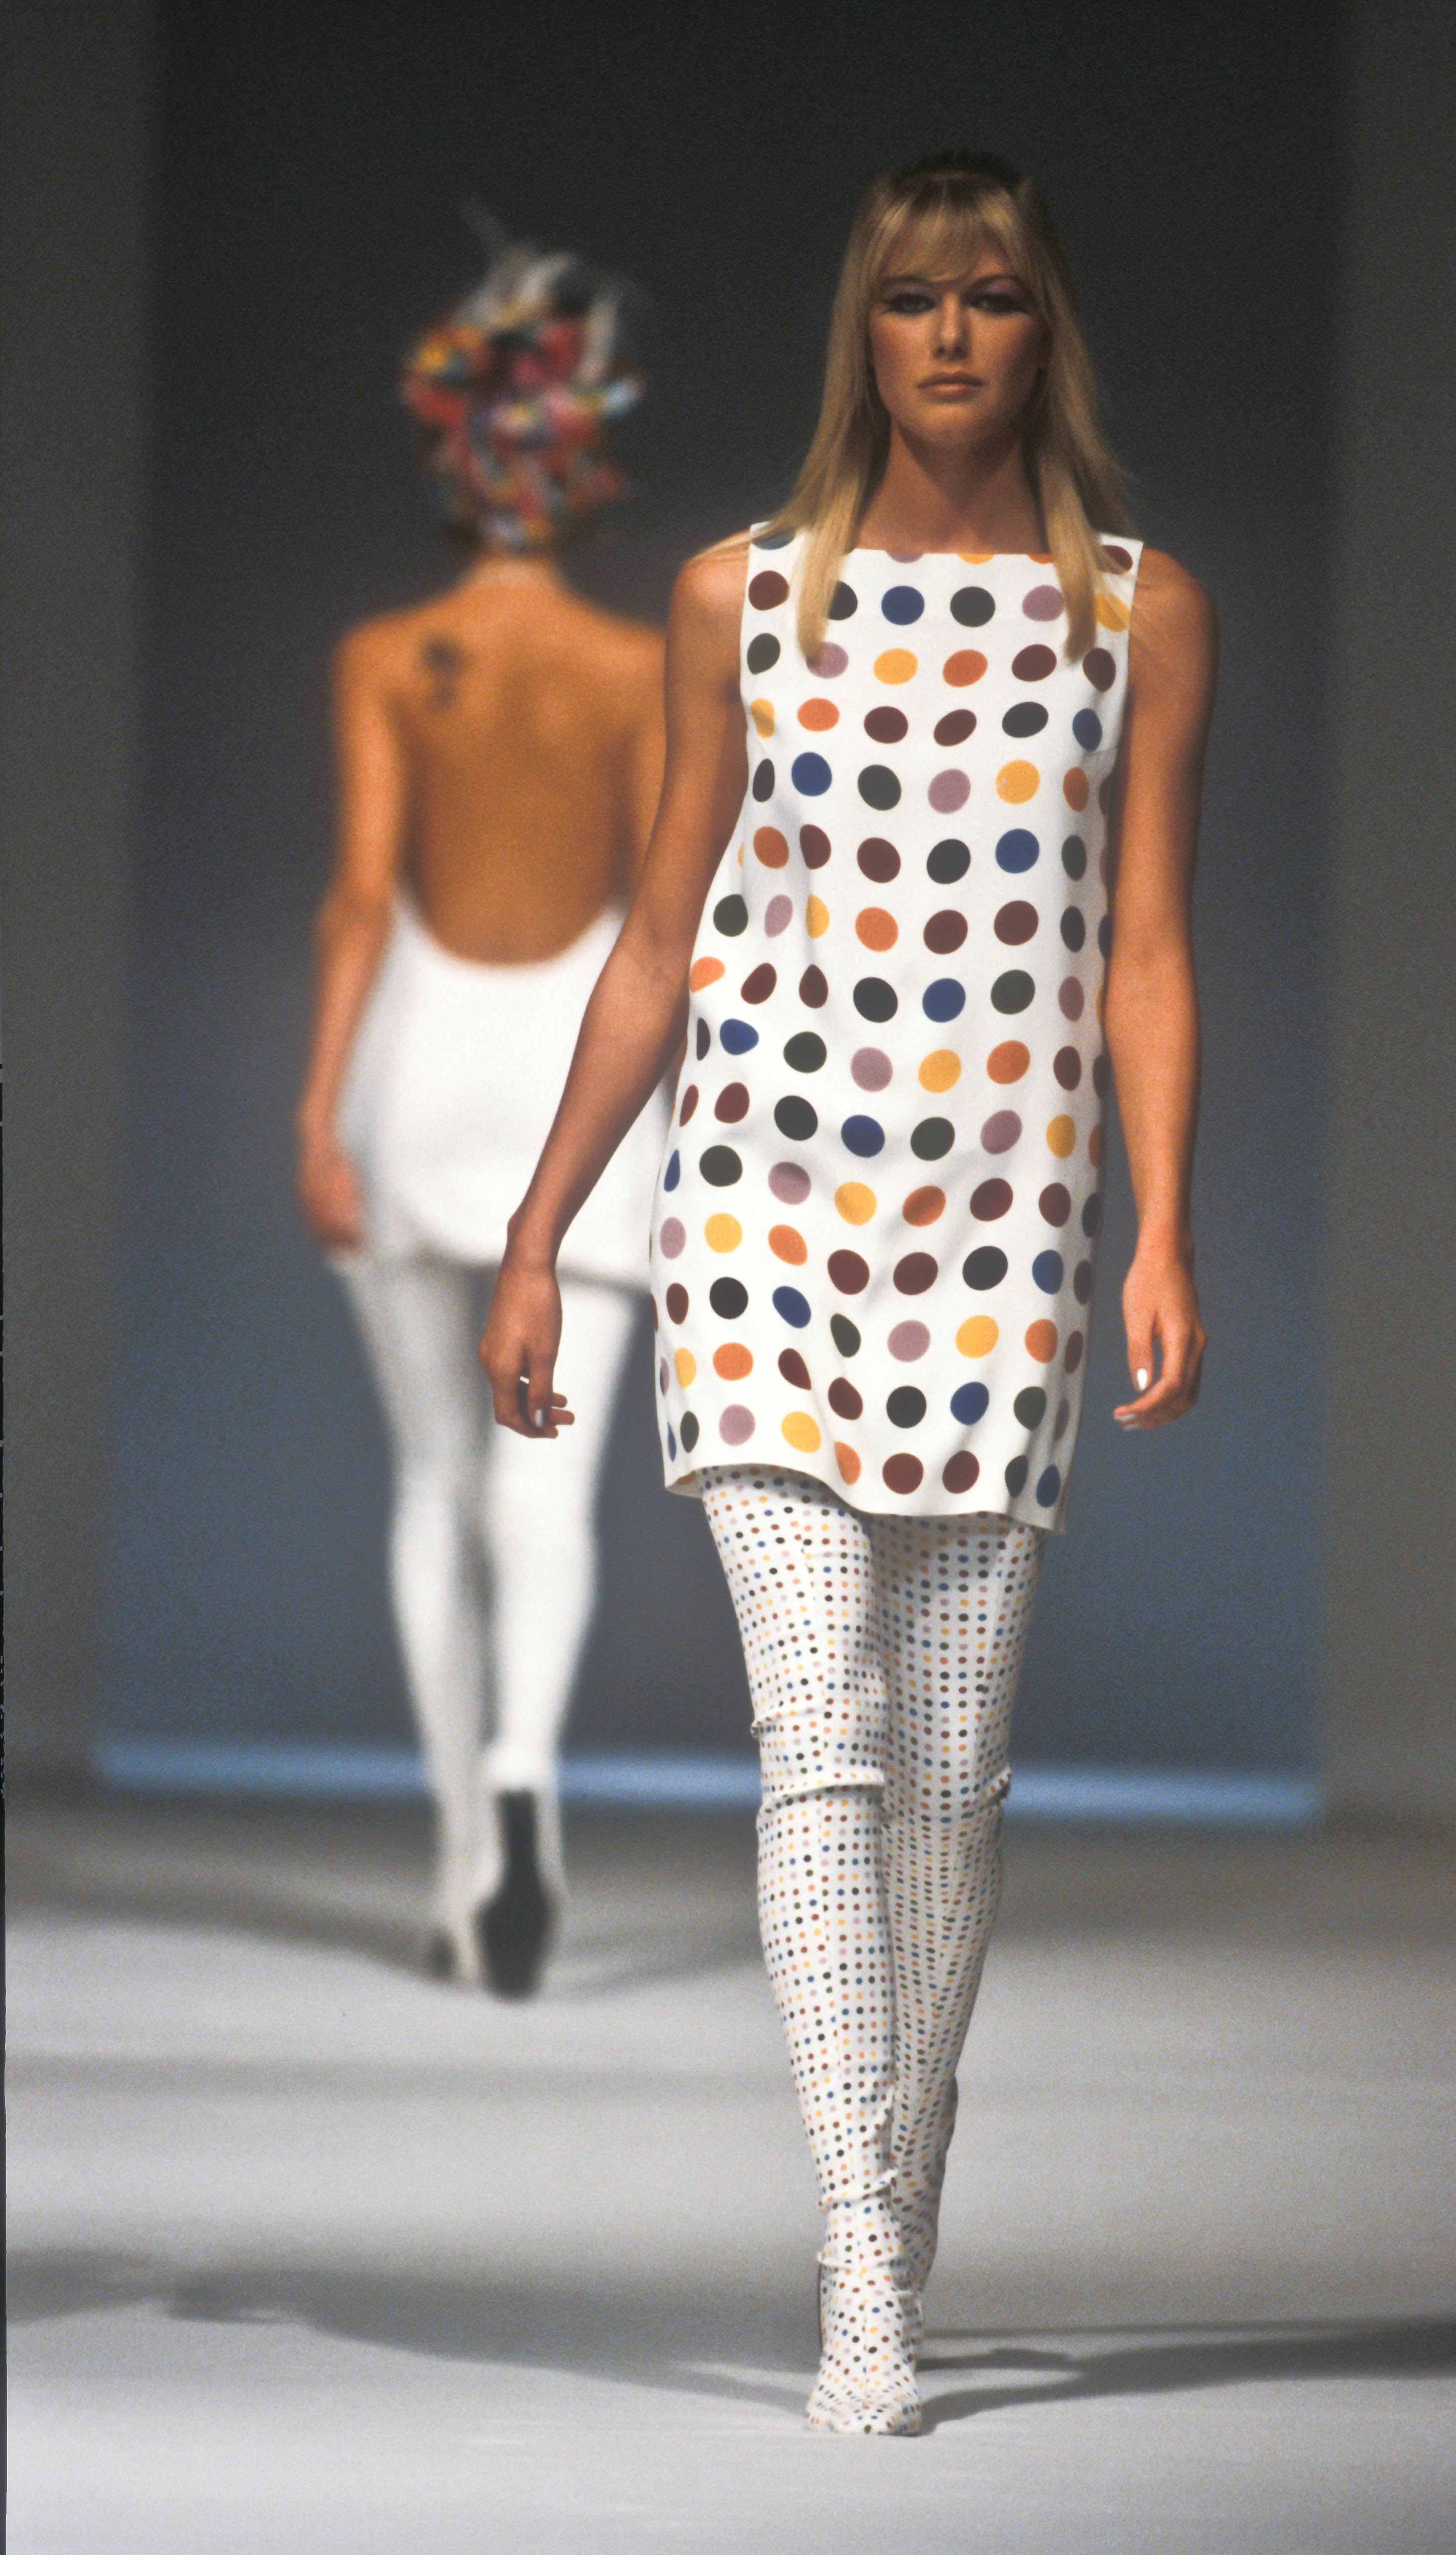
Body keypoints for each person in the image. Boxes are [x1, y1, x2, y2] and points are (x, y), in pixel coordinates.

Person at [481, 149, 1214, 2432]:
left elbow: (1145, 951)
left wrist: (1162, 1225)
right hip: (765, 1219)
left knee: (953, 1778)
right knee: (826, 1740)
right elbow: (662, 936)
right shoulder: (743, 596)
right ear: (862, 331)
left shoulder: (1137, 614)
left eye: (992, 296)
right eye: (914, 299)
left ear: (1043, 325)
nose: (954, 336)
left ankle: (897, 2188)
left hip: (1006, 1235)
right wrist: (539, 1231)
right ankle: (859, 2268)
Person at [294, 237, 667, 1999]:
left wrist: (316, 1111)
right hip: (578, 1071)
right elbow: (668, 918)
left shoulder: (391, 652)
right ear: (581, 462)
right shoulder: (636, 665)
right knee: (549, 1486)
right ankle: (525, 1780)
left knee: (433, 1477)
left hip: (423, 1059)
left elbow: (358, 900)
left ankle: (462, 1866)